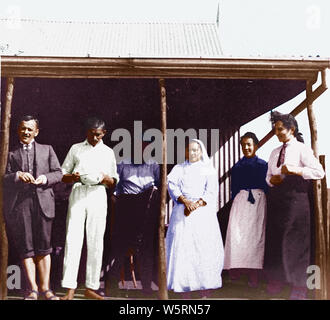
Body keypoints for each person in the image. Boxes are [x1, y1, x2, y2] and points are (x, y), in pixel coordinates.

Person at [264, 111, 324, 300]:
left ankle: (299, 287)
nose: (277, 132)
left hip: (297, 200)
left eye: (280, 129)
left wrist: (295, 170)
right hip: (277, 200)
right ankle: (278, 280)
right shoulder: (274, 152)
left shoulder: (301, 149)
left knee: (297, 243)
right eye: (275, 129)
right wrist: (272, 181)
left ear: (292, 129)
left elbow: (319, 172)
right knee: (276, 240)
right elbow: (268, 177)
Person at [3, 115, 63, 300]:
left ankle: (46, 290)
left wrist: (45, 179)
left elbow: (58, 173)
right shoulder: (10, 153)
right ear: (18, 130)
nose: (26, 132)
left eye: (30, 129)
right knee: (26, 248)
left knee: (44, 247)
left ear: (36, 132)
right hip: (20, 205)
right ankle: (33, 290)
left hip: (43, 203)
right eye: (23, 129)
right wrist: (17, 175)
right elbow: (3, 177)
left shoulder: (47, 150)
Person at [60, 117, 119, 300]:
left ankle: (91, 287)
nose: (95, 138)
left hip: (98, 194)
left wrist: (105, 179)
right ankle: (69, 287)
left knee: (96, 241)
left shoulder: (108, 152)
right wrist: (73, 177)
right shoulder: (76, 148)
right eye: (92, 134)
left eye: (98, 135)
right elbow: (63, 174)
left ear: (104, 133)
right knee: (73, 239)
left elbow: (114, 180)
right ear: (87, 132)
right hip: (78, 192)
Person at [166, 139, 224, 298]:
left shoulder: (208, 169)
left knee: (202, 250)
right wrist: (185, 201)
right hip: (182, 212)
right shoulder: (179, 168)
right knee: (183, 250)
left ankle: (204, 288)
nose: (192, 153)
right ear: (185, 151)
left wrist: (195, 205)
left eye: (195, 150)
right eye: (190, 150)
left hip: (202, 214)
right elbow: (172, 185)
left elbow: (210, 191)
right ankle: (185, 289)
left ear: (201, 151)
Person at [105, 141, 160, 296]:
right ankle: (112, 286)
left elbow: (158, 185)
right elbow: (115, 190)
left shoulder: (153, 164)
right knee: (121, 248)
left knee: (146, 249)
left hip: (146, 208)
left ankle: (147, 287)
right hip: (127, 206)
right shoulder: (123, 163)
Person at [223, 132, 268, 288]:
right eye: (243, 145)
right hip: (241, 202)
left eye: (249, 144)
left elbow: (267, 187)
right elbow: (234, 188)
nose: (246, 147)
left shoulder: (264, 165)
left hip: (258, 203)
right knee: (237, 235)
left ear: (256, 145)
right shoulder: (237, 167)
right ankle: (236, 271)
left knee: (255, 237)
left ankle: (254, 274)